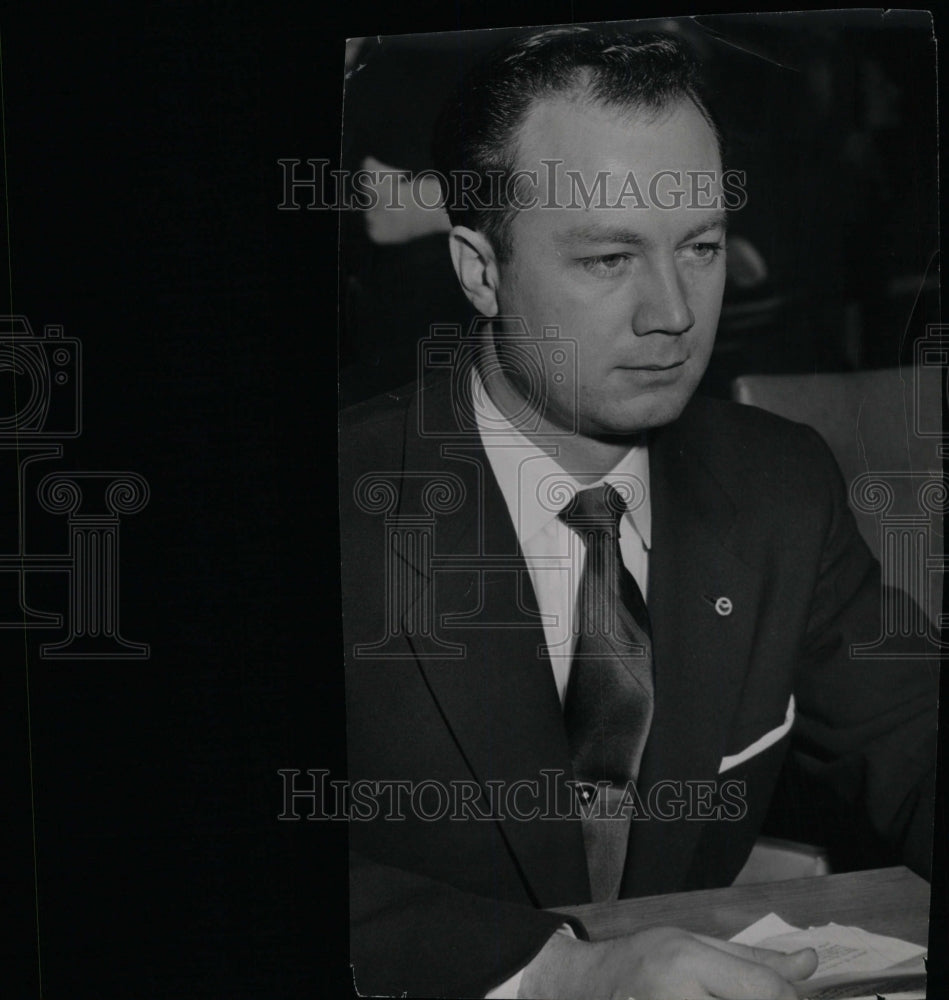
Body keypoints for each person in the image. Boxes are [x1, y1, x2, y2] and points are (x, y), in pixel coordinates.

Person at [338, 26, 938, 999]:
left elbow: (915, 736)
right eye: (608, 258)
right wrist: (554, 970)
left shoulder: (779, 484)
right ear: (478, 269)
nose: (671, 312)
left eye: (697, 247)